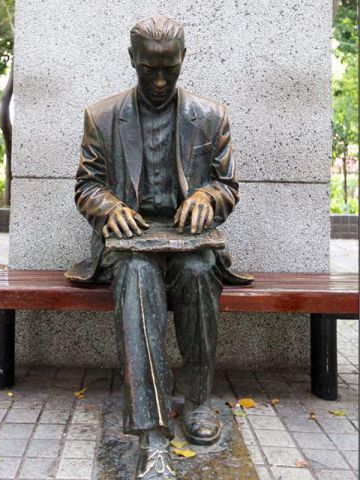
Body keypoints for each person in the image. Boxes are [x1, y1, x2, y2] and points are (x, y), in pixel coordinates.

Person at [66, 15, 251, 479]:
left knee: (198, 271)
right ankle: (151, 433)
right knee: (136, 276)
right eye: (149, 69)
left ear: (184, 58)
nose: (161, 80)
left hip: (190, 240)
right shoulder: (102, 117)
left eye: (170, 68)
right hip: (131, 240)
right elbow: (87, 186)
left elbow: (227, 186)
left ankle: (197, 401)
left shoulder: (211, 115)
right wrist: (109, 208)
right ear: (133, 60)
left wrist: (207, 197)